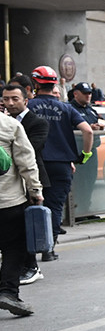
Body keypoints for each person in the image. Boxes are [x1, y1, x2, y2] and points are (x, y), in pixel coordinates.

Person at [25, 67, 92, 255]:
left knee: (31, 203)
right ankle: (49, 248)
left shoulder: (28, 107)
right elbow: (87, 131)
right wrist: (84, 155)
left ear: (36, 84)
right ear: (54, 84)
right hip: (61, 164)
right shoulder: (66, 108)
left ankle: (29, 247)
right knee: (54, 206)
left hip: (35, 163)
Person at [0, 93, 45, 317]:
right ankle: (8, 292)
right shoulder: (9, 125)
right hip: (8, 201)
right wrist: (35, 191)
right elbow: (27, 161)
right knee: (13, 247)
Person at [68, 82, 105, 214]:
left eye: (89, 93)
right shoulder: (70, 109)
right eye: (85, 93)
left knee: (90, 181)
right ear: (76, 94)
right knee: (78, 183)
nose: (88, 96)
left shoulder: (90, 110)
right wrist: (88, 127)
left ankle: (86, 210)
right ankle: (76, 212)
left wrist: (98, 128)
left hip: (92, 151)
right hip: (78, 151)